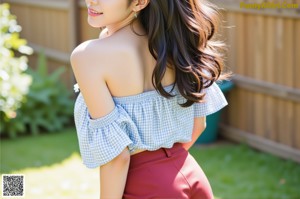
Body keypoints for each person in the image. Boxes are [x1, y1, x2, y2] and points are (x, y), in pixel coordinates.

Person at [71, 0, 229, 198]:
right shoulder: (174, 44)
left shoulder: (89, 55)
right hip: (191, 175)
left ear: (139, 2)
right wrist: (164, 165)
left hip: (144, 187)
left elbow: (118, 158)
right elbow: (198, 125)